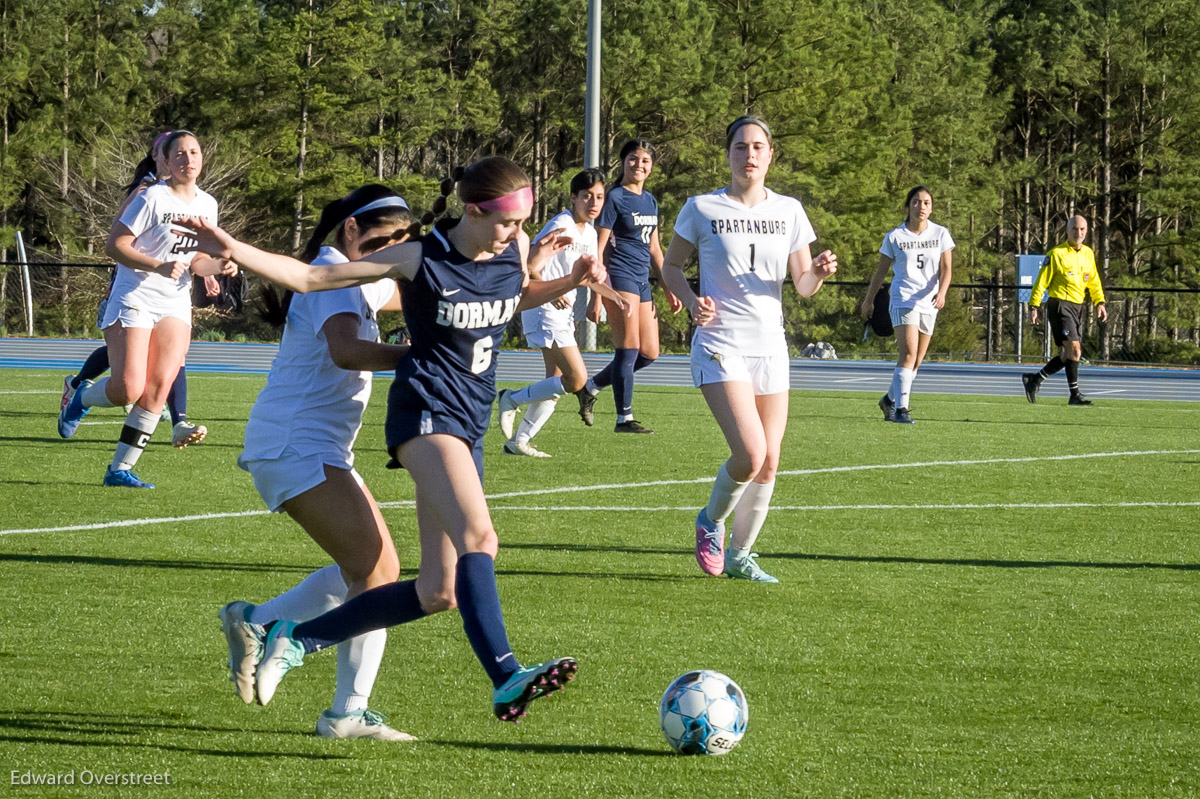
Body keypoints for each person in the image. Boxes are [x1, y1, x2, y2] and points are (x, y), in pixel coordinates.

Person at [184, 156, 594, 723]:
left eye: (523, 224)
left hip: (463, 422)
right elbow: (310, 279)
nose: (516, 234)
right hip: (423, 413)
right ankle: (505, 675)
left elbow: (501, 299)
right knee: (480, 536)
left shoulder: (512, 254)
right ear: (473, 211)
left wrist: (568, 280)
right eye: (506, 223)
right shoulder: (417, 255)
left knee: (435, 590)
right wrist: (233, 246)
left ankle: (293, 637)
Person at [219, 185, 415, 740]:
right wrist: (422, 356)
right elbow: (346, 351)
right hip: (295, 445)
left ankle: (256, 621)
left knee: (376, 574)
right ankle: (341, 710)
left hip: (307, 447)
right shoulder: (333, 276)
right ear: (350, 231)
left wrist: (541, 279)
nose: (391, 258)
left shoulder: (353, 277)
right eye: (383, 243)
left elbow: (434, 294)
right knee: (376, 581)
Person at [660, 116, 838, 583]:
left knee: (770, 460)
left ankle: (741, 555)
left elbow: (802, 285)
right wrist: (693, 300)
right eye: (741, 147)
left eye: (758, 146)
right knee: (750, 453)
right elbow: (671, 266)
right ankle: (711, 520)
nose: (750, 154)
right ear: (728, 154)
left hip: (770, 346)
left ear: (771, 155)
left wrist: (818, 271)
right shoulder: (702, 208)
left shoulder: (791, 210)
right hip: (721, 343)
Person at [58, 131, 226, 487]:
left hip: (174, 301)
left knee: (161, 383)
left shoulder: (208, 204)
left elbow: (197, 259)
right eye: (179, 154)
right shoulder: (151, 197)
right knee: (127, 389)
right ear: (164, 161)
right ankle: (79, 395)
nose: (188, 159)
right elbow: (114, 245)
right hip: (135, 295)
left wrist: (220, 266)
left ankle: (120, 469)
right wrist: (158, 266)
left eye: (194, 152)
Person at [495, 167, 629, 456]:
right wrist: (549, 289)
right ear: (573, 197)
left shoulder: (590, 233)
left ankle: (518, 441)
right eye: (587, 196)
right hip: (543, 308)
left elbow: (590, 279)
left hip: (562, 313)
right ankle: (511, 398)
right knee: (577, 379)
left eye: (599, 197)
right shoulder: (561, 224)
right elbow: (530, 264)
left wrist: (613, 296)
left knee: (554, 381)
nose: (593, 203)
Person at [577, 139, 682, 434]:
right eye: (633, 159)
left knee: (649, 353)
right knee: (629, 348)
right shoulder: (614, 198)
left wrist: (667, 286)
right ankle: (624, 418)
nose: (639, 165)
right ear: (623, 162)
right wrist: (596, 296)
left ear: (652, 166)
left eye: (645, 160)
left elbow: (655, 249)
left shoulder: (650, 201)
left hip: (641, 279)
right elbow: (598, 248)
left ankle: (592, 386)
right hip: (618, 277)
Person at [859, 185, 954, 424]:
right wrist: (869, 300)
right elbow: (880, 273)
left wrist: (942, 292)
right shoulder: (895, 236)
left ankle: (889, 400)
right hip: (903, 298)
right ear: (908, 205)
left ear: (931, 208)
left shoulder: (940, 233)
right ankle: (901, 409)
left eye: (926, 203)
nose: (921, 207)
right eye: (916, 201)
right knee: (908, 353)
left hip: (929, 302)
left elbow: (946, 269)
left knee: (917, 360)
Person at [1022, 215, 1107, 405]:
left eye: (1083, 229)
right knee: (1075, 349)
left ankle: (1034, 380)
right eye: (1075, 229)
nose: (1079, 233)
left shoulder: (1087, 254)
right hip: (1060, 305)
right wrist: (1034, 306)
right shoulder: (1056, 254)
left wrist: (1099, 302)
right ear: (1067, 231)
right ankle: (1074, 395)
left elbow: (1093, 281)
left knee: (1067, 354)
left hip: (1078, 307)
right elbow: (1041, 282)